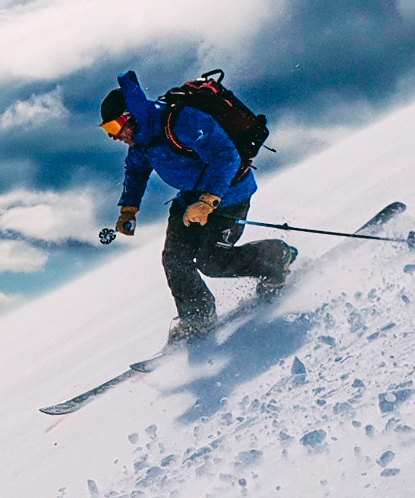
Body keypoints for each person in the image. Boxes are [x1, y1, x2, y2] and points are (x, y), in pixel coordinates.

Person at [101, 70, 295, 339]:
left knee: (212, 261)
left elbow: (226, 156)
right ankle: (198, 317)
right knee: (175, 259)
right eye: (107, 131)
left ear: (128, 116)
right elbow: (135, 171)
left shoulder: (182, 121)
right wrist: (128, 209)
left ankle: (276, 258)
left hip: (228, 196)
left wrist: (208, 201)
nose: (113, 136)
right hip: (189, 198)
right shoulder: (142, 143)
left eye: (113, 128)